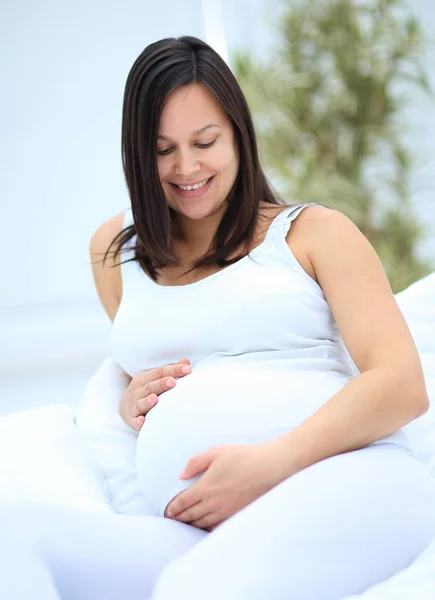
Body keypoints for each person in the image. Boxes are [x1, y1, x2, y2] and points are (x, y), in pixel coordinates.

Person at [1, 35, 435, 600]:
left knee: (197, 589)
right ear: (137, 151)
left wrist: (270, 464)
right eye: (163, 150)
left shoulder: (314, 235)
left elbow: (402, 386)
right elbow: (156, 368)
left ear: (238, 135)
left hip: (348, 480)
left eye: (205, 141)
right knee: (19, 539)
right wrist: (131, 398)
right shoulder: (116, 251)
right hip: (195, 523)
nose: (186, 168)